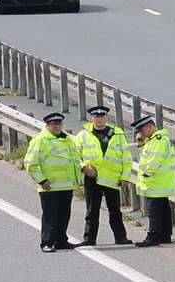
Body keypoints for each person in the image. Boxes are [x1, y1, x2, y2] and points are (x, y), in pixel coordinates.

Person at [72, 105, 132, 246]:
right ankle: (89, 239)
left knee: (115, 211)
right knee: (92, 210)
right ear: (92, 118)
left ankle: (120, 237)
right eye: (96, 117)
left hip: (112, 178)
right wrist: (84, 167)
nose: (99, 119)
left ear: (106, 117)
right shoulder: (83, 135)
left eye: (102, 116)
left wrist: (125, 177)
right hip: (93, 178)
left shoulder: (117, 134)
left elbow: (126, 158)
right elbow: (75, 156)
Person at [24, 112, 80, 252]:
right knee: (50, 216)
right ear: (48, 125)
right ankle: (47, 242)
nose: (56, 127)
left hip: (66, 185)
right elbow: (30, 163)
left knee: (64, 215)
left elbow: (74, 160)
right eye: (53, 124)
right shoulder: (41, 139)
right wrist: (42, 180)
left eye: (59, 124)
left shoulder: (67, 139)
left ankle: (61, 240)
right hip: (49, 186)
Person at [130, 115, 175, 246]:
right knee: (163, 211)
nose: (141, 134)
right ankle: (164, 236)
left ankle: (153, 237)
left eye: (141, 130)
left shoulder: (158, 140)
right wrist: (141, 145)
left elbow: (154, 160)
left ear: (149, 126)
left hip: (156, 183)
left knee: (154, 212)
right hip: (161, 183)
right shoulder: (154, 140)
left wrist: (146, 174)